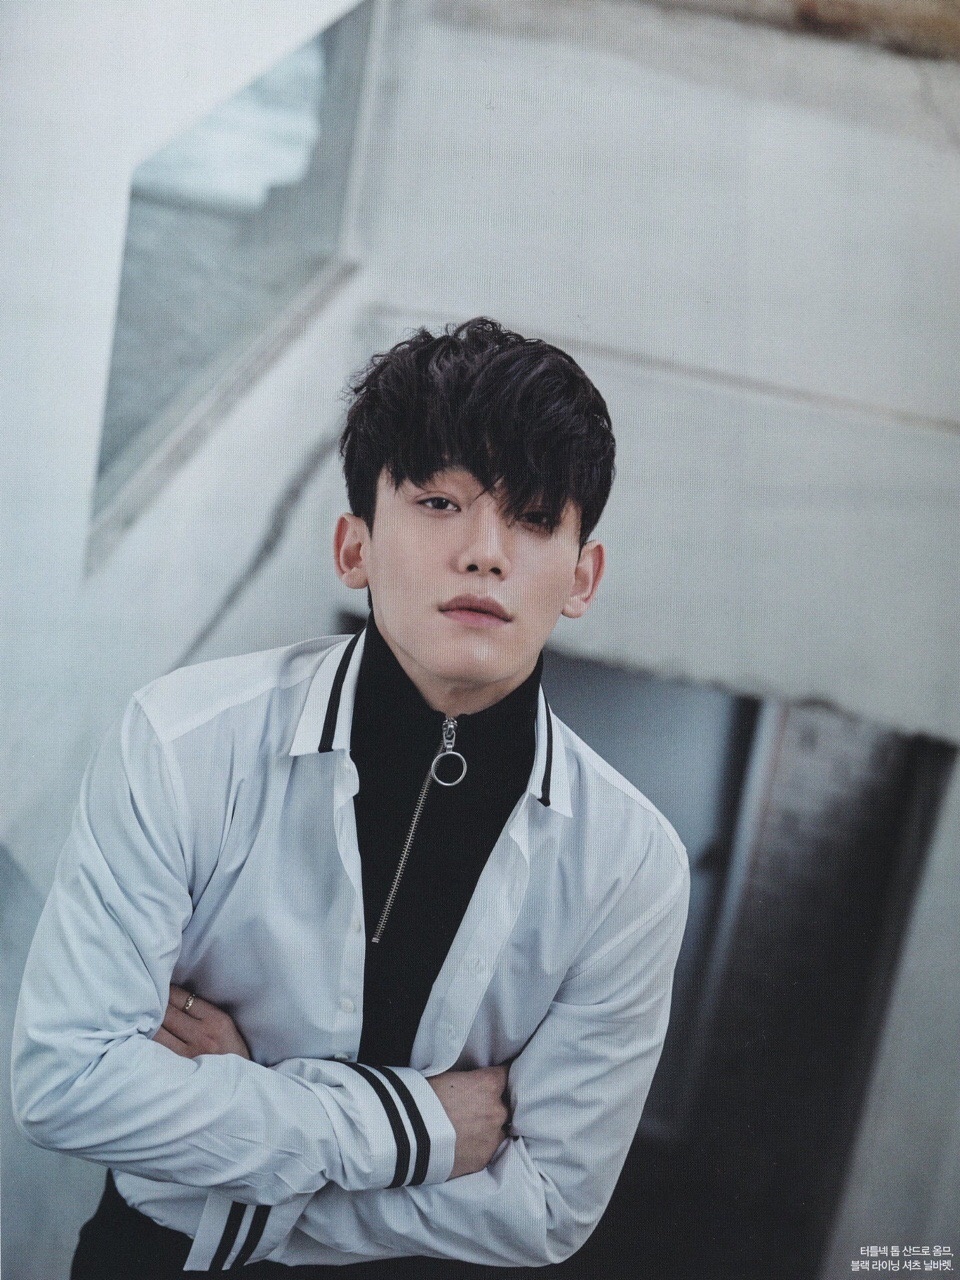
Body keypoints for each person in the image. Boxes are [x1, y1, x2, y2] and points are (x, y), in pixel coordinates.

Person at [12, 317, 689, 1276]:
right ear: (353, 548)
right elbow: (65, 1081)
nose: (486, 552)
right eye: (440, 502)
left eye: (534, 517)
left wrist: (242, 1117)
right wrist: (414, 1132)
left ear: (583, 577)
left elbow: (546, 1206)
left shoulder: (631, 864)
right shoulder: (185, 742)